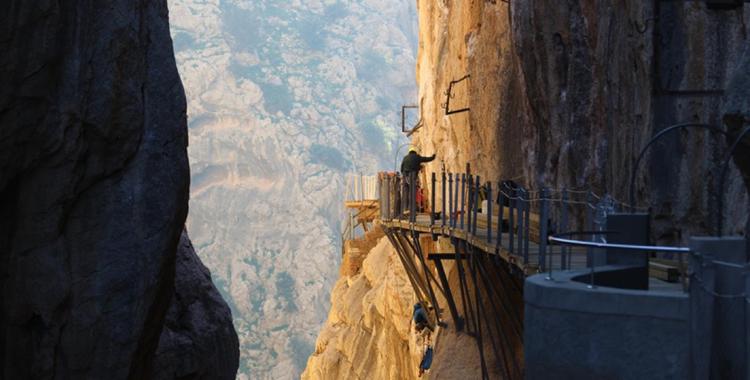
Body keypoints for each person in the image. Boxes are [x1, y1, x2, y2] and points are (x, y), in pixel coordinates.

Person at [400, 147, 436, 212]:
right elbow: (426, 159)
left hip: (405, 177)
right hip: (413, 177)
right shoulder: (417, 157)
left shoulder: (405, 158)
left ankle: (405, 209)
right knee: (413, 192)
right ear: (415, 152)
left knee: (406, 193)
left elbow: (401, 169)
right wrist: (433, 157)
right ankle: (411, 209)